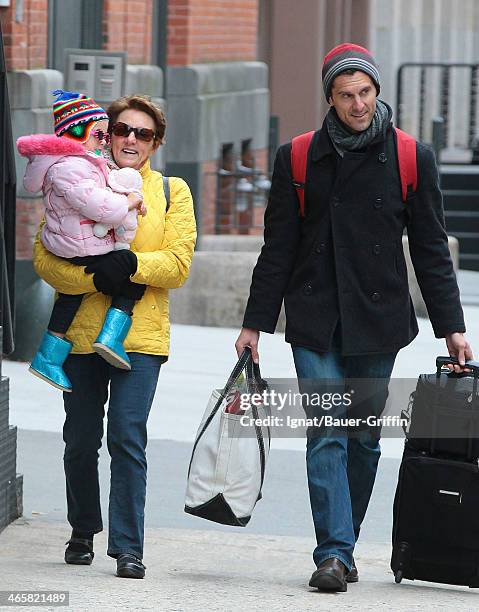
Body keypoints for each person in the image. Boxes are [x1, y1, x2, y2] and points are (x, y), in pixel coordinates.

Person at [235, 43, 473, 592]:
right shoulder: (298, 156)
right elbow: (278, 248)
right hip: (316, 314)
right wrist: (256, 322)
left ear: (377, 92)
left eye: (365, 93)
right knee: (326, 432)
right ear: (330, 99)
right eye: (346, 96)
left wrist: (451, 326)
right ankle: (334, 553)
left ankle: (344, 541)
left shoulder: (412, 156)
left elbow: (432, 247)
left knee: (363, 439)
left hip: (377, 315)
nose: (358, 105)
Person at [32, 94, 197, 579]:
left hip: (140, 338)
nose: (130, 139)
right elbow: (46, 255)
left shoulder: (172, 191)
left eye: (142, 133)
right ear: (107, 132)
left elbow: (179, 263)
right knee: (81, 440)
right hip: (82, 338)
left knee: (127, 438)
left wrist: (130, 265)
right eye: (121, 129)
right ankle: (83, 529)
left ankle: (128, 546)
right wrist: (92, 279)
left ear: (155, 143)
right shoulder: (78, 173)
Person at [18, 90, 147, 392]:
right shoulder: (69, 167)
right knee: (130, 272)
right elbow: (98, 205)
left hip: (77, 242)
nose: (104, 142)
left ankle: (48, 357)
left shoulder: (78, 163)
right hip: (78, 246)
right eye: (99, 135)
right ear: (78, 133)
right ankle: (110, 337)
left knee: (70, 297)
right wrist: (127, 203)